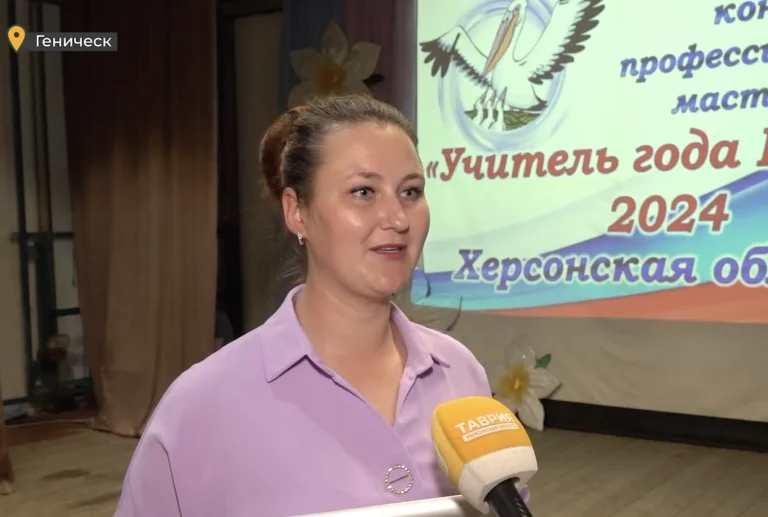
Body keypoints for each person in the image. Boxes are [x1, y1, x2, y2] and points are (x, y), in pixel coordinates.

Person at [114, 95, 527, 516]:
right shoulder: (203, 403)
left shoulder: (459, 372)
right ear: (297, 212)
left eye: (411, 192)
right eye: (363, 192)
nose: (398, 218)